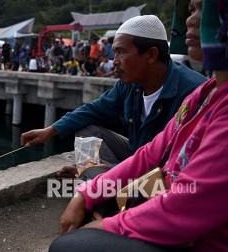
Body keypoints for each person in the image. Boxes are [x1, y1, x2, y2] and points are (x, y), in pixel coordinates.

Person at [50, 0, 228, 250]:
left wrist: (108, 224)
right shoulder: (203, 95)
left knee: (73, 242)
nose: (190, 20)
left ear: (151, 55)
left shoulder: (190, 87)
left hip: (179, 206)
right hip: (158, 180)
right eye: (190, 10)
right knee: (89, 143)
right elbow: (147, 152)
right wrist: (87, 194)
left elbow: (188, 199)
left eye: (202, 8)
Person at [20, 15, 207, 173]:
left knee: (102, 177)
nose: (114, 61)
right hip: (139, 160)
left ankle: (99, 194)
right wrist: (50, 131)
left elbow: (182, 163)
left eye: (120, 52)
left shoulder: (193, 92)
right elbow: (94, 110)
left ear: (151, 54)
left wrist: (110, 170)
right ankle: (98, 186)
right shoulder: (130, 85)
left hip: (165, 172)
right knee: (88, 132)